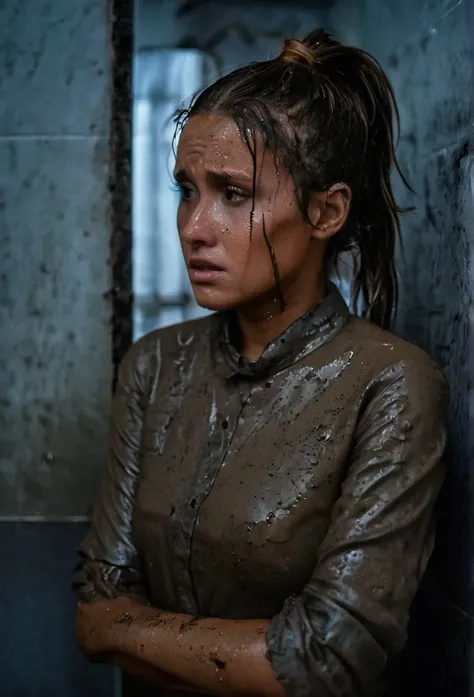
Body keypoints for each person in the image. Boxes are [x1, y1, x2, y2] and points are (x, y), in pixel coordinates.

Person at [73, 28, 449, 697]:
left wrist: (127, 629)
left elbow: (327, 657)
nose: (193, 224)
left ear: (325, 211)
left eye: (234, 194)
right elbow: (97, 603)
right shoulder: (154, 366)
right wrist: (248, 649)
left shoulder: (389, 384)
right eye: (187, 189)